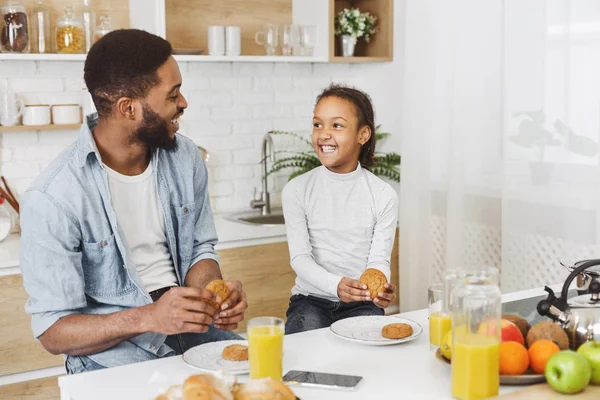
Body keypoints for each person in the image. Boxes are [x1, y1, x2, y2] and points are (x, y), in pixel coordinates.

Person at [19, 29, 247, 374]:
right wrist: (150, 317)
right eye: (172, 95)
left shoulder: (186, 157)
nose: (183, 103)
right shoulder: (54, 196)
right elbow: (53, 332)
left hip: (193, 333)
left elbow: (201, 249)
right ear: (128, 108)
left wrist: (213, 298)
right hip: (113, 357)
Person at [283, 84, 398, 334]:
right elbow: (300, 259)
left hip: (361, 303)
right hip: (310, 301)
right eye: (317, 124)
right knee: (305, 358)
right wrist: (336, 286)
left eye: (336, 125)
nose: (324, 134)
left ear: (363, 134)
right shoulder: (297, 190)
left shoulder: (382, 195)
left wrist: (380, 286)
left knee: (366, 355)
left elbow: (378, 260)